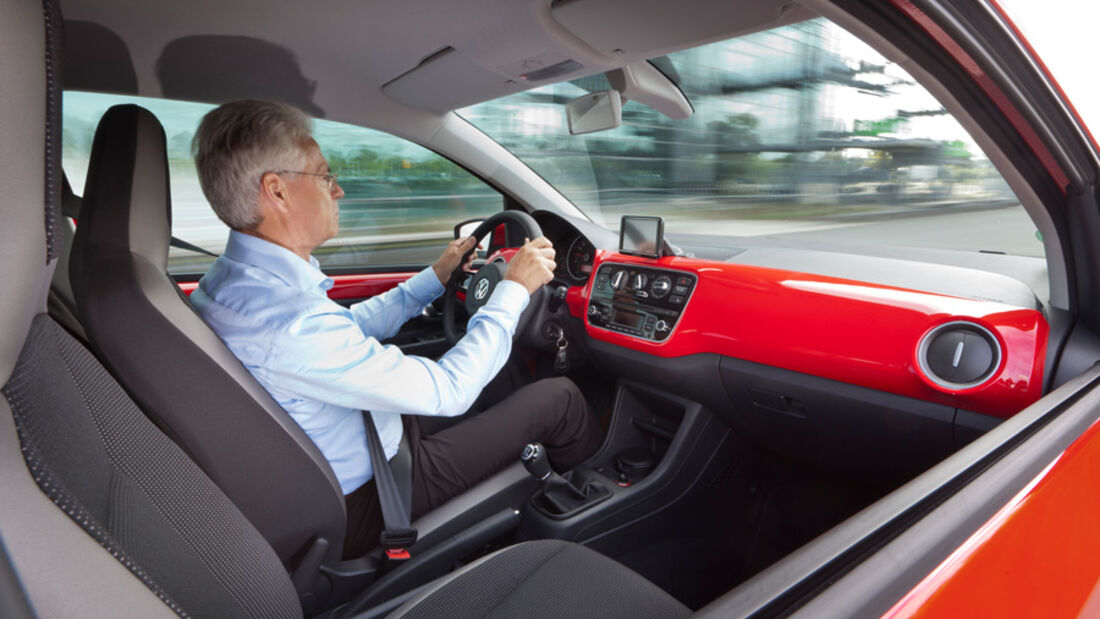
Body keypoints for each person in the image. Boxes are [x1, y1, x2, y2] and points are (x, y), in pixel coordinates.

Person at [188, 100, 602, 558]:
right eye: (324, 176)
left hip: (362, 437)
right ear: (277, 192)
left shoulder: (231, 285)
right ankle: (599, 508)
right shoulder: (290, 325)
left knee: (503, 375)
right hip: (372, 495)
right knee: (559, 397)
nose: (338, 190)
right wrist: (514, 291)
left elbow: (342, 330)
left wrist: (435, 279)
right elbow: (449, 391)